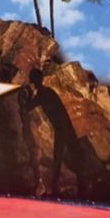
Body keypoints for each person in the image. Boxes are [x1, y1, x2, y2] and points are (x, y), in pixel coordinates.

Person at [20, 67, 86, 198]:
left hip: (62, 129)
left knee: (59, 158)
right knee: (66, 157)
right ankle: (76, 188)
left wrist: (27, 94)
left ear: (33, 81)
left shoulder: (42, 94)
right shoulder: (48, 92)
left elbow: (27, 108)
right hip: (64, 127)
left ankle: (60, 190)